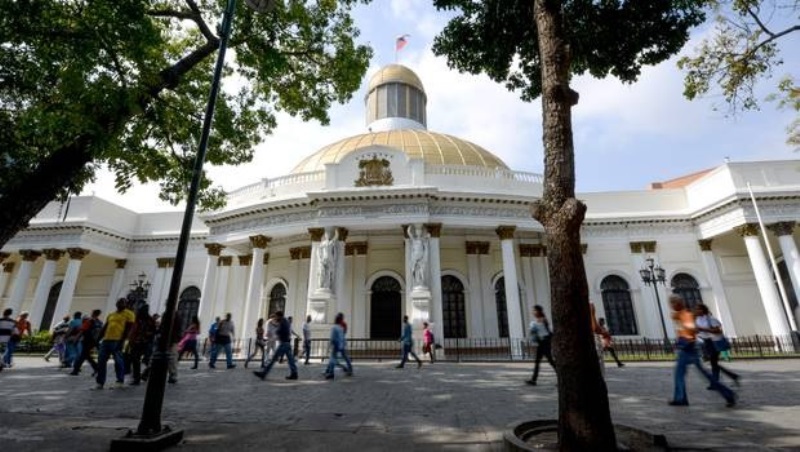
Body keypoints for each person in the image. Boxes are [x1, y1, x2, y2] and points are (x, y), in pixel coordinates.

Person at [668, 295, 736, 407]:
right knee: (685, 374)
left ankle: (728, 394)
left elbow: (691, 328)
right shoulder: (680, 314)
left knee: (685, 374)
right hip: (688, 347)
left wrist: (687, 332)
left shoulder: (686, 315)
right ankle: (681, 398)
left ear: (679, 303)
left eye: (673, 303)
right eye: (671, 303)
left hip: (688, 348)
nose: (672, 305)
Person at [94, 299, 135, 390]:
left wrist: (122, 341)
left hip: (118, 340)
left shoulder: (129, 314)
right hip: (106, 340)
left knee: (118, 361)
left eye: (123, 302)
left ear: (126, 304)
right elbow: (105, 327)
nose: (121, 304)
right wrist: (98, 339)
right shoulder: (111, 314)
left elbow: (129, 328)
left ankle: (120, 381)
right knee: (101, 361)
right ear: (116, 304)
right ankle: (100, 382)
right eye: (119, 302)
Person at [694, 304, 739, 387]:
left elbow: (718, 331)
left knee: (713, 362)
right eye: (696, 309)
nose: (696, 311)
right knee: (713, 362)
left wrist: (703, 329)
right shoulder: (697, 320)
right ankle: (732, 376)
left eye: (698, 309)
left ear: (703, 310)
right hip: (706, 342)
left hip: (715, 341)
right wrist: (697, 331)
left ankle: (715, 382)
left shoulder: (711, 319)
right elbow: (699, 331)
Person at [253, 310, 298, 380]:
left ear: (279, 316)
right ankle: (294, 373)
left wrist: (270, 339)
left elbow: (279, 333)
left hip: (283, 344)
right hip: (287, 343)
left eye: (276, 316)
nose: (276, 318)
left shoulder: (282, 323)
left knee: (273, 359)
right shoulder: (285, 321)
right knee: (291, 359)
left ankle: (264, 373)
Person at [127, 304, 156, 385]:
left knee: (147, 360)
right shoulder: (137, 319)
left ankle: (145, 374)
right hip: (136, 342)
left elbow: (153, 331)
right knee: (135, 360)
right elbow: (133, 330)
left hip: (146, 342)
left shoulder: (150, 320)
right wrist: (131, 340)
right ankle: (137, 378)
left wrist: (148, 334)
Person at [527, 305, 555, 385]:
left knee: (551, 361)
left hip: (545, 342)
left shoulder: (543, 320)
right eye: (533, 310)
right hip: (541, 343)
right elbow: (535, 332)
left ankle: (562, 377)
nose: (533, 312)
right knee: (537, 362)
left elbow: (548, 332)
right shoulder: (535, 321)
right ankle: (533, 380)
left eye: (534, 310)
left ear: (539, 311)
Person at [70, 309, 103, 376]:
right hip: (94, 341)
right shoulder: (100, 322)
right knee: (86, 355)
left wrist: (76, 339)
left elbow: (82, 331)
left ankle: (75, 370)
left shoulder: (89, 321)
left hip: (87, 341)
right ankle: (96, 368)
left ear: (93, 313)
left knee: (83, 355)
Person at [323, 313, 351, 379]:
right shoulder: (341, 327)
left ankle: (331, 373)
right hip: (341, 344)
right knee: (336, 359)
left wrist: (330, 345)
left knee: (332, 359)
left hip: (335, 344)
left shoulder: (334, 327)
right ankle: (330, 371)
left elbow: (332, 338)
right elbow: (342, 336)